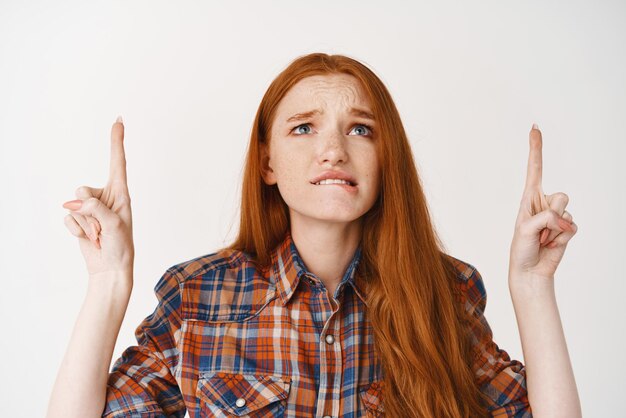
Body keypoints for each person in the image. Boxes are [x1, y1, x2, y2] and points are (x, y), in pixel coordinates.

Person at [47, 53, 582, 417]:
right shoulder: (197, 296)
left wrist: (532, 285)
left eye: (360, 129)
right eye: (303, 128)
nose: (333, 149)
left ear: (384, 159)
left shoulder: (445, 293)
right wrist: (108, 279)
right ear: (268, 162)